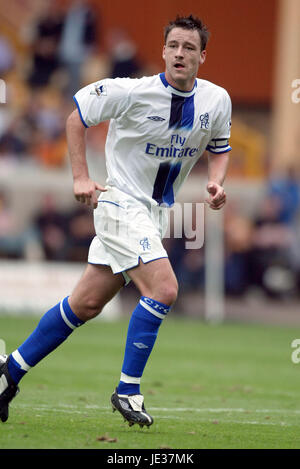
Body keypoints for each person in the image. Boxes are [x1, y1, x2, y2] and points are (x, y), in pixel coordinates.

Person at [0, 15, 232, 427]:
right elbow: (77, 115)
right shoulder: (131, 91)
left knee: (85, 304)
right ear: (162, 51)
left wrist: (215, 182)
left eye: (189, 48)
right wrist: (79, 177)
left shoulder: (217, 100)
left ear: (202, 56)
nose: (180, 53)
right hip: (121, 204)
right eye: (174, 45)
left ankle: (8, 373)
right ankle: (128, 390)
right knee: (164, 288)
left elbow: (220, 145)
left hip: (156, 214)